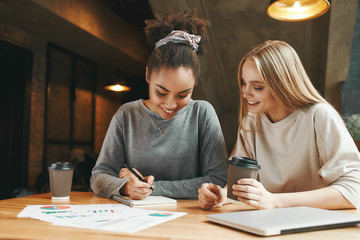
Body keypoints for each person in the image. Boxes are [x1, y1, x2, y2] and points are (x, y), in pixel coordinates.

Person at [198, 40, 360, 210]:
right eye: (244, 83)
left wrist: (275, 201)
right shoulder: (251, 123)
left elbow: (354, 189)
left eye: (258, 87)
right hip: (269, 222)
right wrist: (223, 194)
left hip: (316, 225)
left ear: (282, 84)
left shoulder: (319, 116)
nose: (245, 92)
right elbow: (240, 185)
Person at [90, 9, 227, 200]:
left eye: (183, 94)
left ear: (194, 83)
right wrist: (126, 187)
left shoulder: (202, 113)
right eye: (161, 92)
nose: (170, 104)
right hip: (136, 219)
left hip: (191, 220)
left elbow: (218, 179)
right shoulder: (126, 115)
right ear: (147, 75)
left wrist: (153, 188)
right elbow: (98, 177)